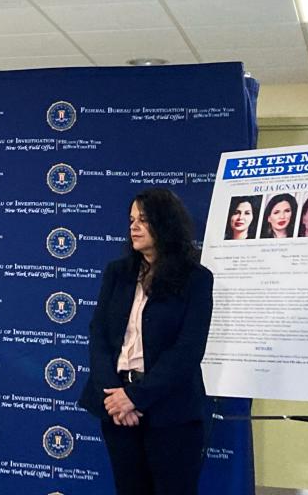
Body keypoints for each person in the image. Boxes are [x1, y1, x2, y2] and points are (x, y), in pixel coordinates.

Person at [79, 188, 213, 495]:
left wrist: (136, 397)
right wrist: (115, 397)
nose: (134, 227)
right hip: (117, 410)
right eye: (131, 220)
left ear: (166, 223)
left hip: (171, 413)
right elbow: (99, 335)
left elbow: (188, 350)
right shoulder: (118, 273)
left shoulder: (196, 279)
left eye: (144, 220)